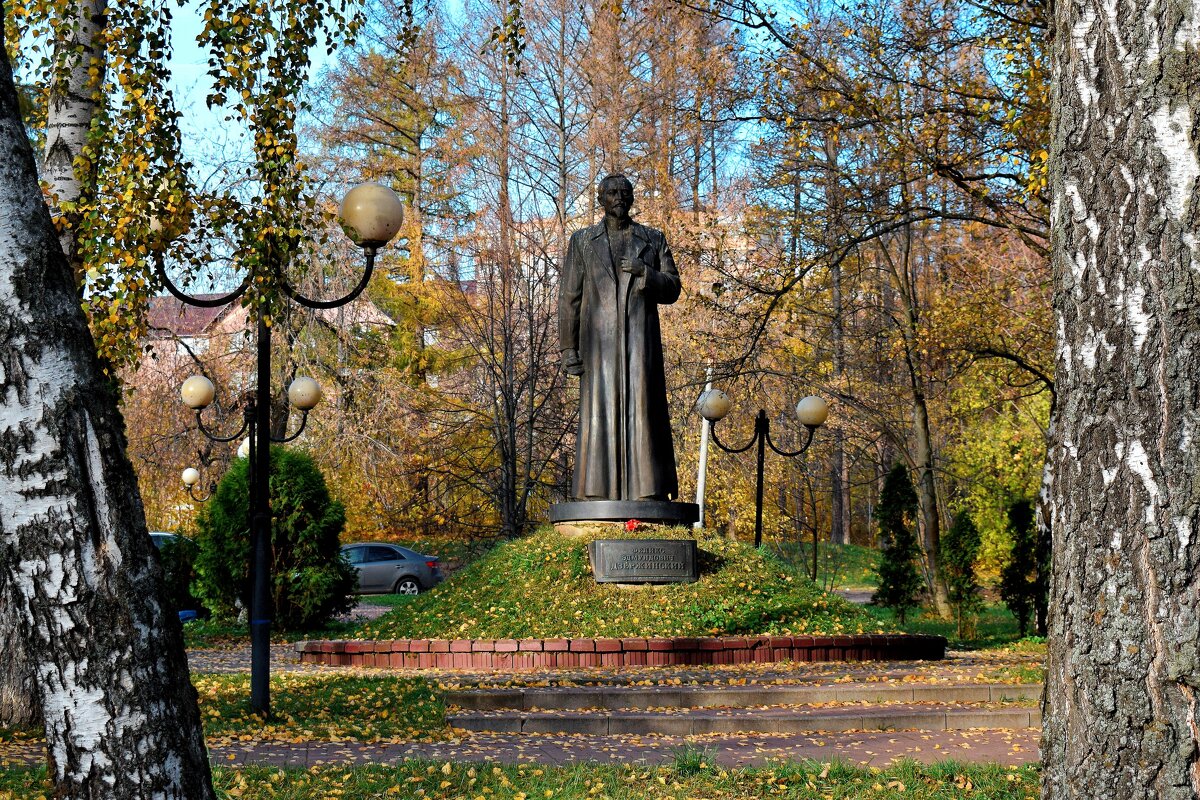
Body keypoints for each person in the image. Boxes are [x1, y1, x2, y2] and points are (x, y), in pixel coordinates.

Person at [559, 174, 682, 501]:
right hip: (599, 346)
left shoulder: (652, 239)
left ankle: (647, 492)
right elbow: (569, 296)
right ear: (601, 199)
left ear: (632, 198)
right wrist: (568, 348)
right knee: (601, 411)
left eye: (625, 192)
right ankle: (597, 492)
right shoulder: (583, 241)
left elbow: (673, 288)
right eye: (612, 192)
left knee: (642, 409)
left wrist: (646, 273)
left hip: (640, 343)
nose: (619, 197)